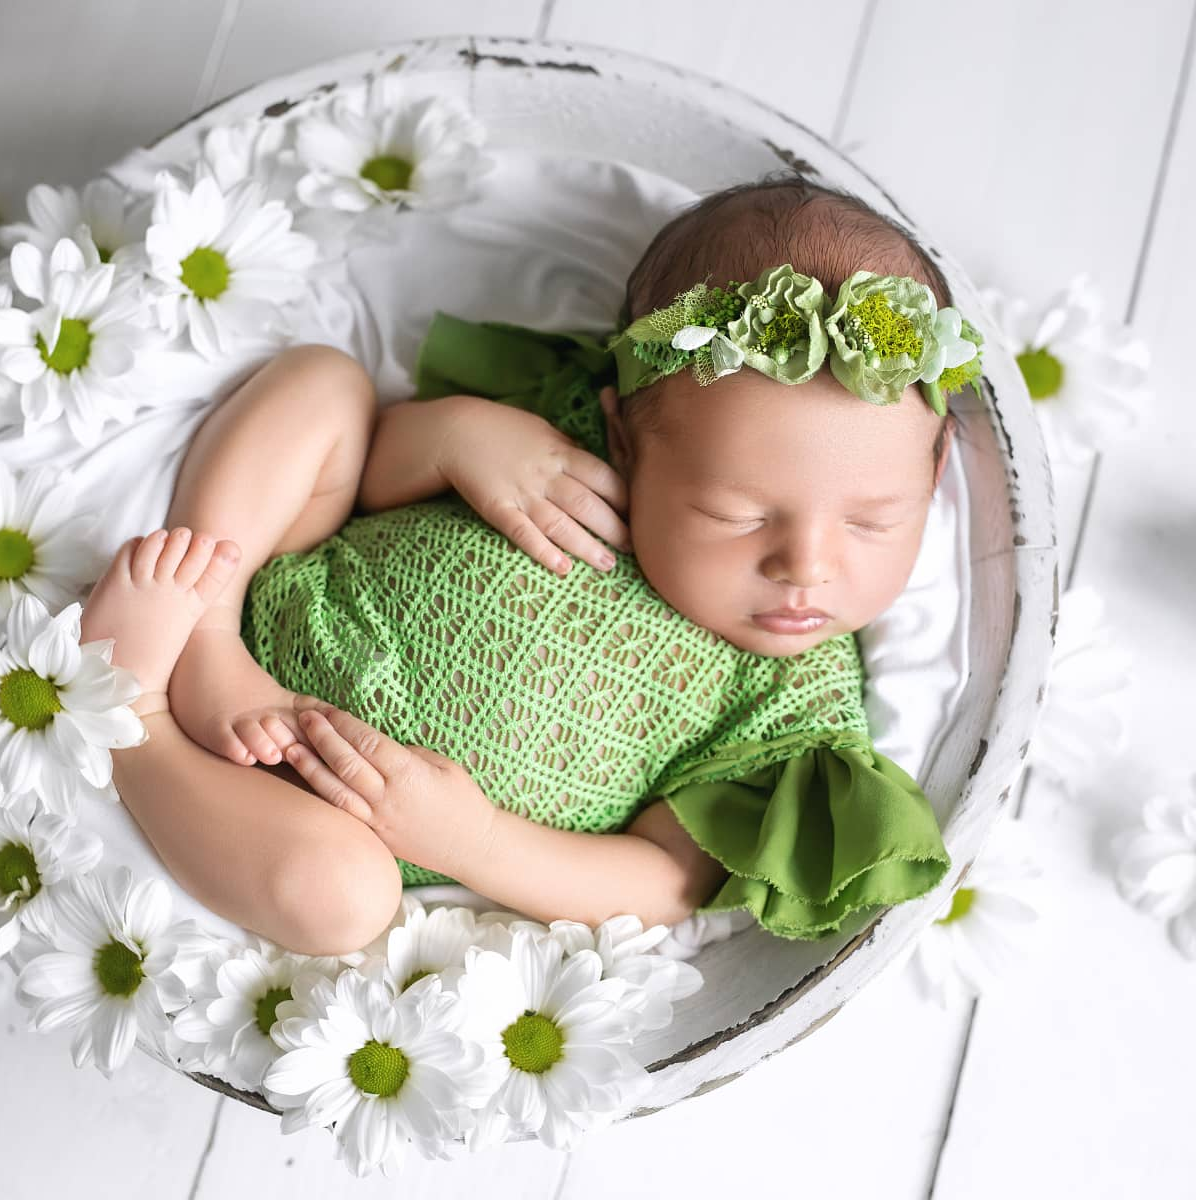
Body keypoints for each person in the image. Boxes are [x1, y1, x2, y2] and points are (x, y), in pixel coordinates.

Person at [78, 172, 980, 956]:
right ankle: (204, 630)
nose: (805, 566)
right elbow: (373, 477)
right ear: (630, 436)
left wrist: (472, 841)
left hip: (317, 814)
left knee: (340, 901)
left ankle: (143, 721)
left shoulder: (792, 701)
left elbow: (663, 884)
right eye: (734, 514)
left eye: (874, 521)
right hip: (284, 586)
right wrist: (460, 438)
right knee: (322, 385)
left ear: (931, 478)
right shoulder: (574, 449)